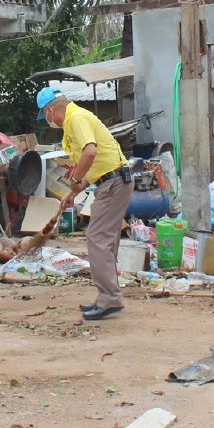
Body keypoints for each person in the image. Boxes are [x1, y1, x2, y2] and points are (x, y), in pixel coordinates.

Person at [37, 87, 134, 320]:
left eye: (45, 115)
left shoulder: (77, 118)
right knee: (105, 239)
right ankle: (106, 297)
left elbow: (90, 153)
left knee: (97, 238)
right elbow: (96, 163)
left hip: (113, 183)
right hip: (112, 181)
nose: (48, 121)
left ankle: (110, 298)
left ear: (50, 110)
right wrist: (74, 191)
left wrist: (74, 181)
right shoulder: (74, 120)